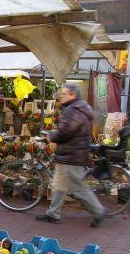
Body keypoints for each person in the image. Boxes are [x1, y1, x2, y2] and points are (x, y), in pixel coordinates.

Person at [36, 82, 108, 227]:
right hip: (73, 154)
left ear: (73, 95)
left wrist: (52, 136)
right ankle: (53, 213)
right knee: (59, 185)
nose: (61, 97)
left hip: (71, 155)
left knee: (77, 187)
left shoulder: (73, 110)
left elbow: (66, 132)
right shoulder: (81, 107)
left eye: (64, 94)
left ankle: (99, 211)